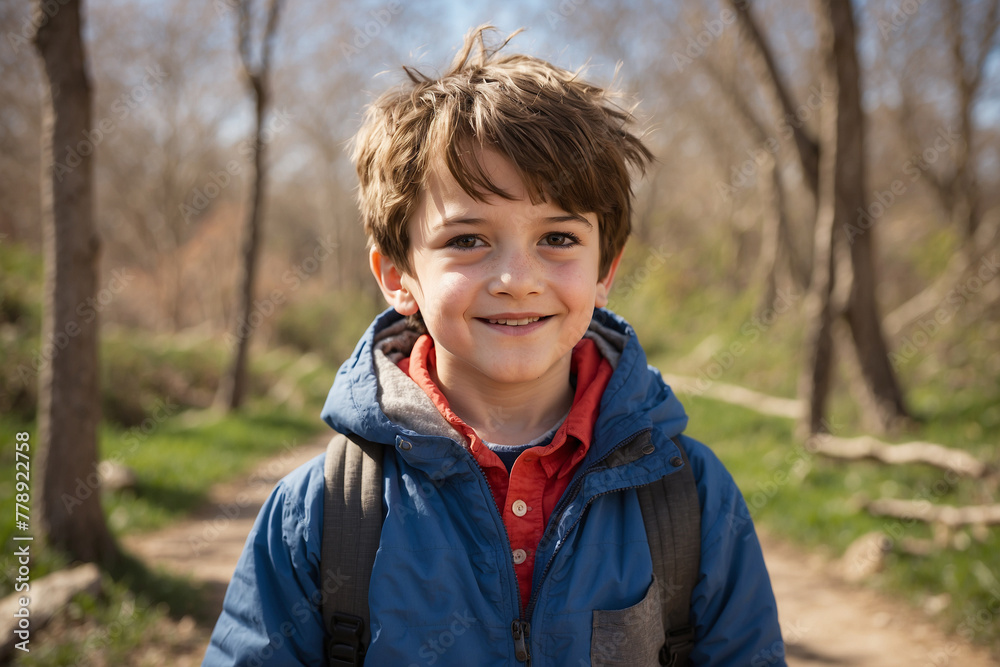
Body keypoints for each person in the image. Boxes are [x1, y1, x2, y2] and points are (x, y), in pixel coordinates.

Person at [203, 25, 784, 666]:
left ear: (604, 273)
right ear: (398, 276)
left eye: (558, 238)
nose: (517, 280)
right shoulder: (325, 512)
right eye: (467, 240)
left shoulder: (689, 499)